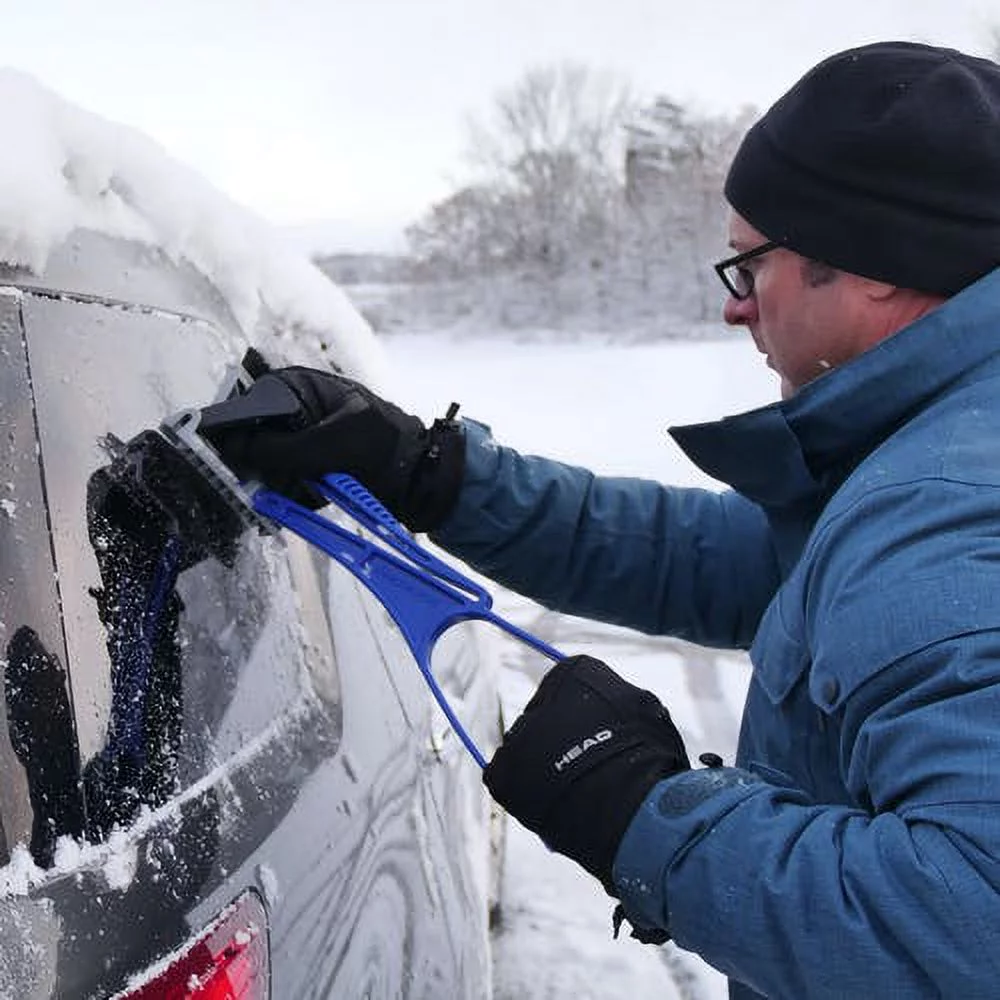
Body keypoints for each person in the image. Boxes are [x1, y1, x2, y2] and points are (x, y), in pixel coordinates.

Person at [202, 41, 1000, 999]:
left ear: (873, 265)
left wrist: (639, 810)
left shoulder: (946, 508)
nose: (733, 311)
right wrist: (429, 472)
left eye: (748, 266)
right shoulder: (938, 444)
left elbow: (972, 920)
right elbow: (713, 558)